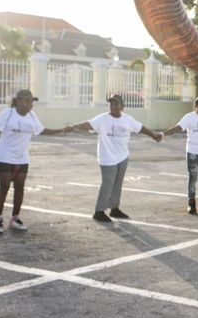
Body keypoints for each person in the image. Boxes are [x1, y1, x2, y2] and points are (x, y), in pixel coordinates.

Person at [0, 89, 70, 233]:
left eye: (32, 102)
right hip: (4, 156)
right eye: (28, 101)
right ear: (18, 101)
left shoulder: (32, 116)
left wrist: (61, 130)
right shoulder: (8, 113)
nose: (31, 105)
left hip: (22, 157)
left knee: (19, 188)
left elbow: (41, 130)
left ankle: (14, 219)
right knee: (4, 187)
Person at [69, 94, 163, 222]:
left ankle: (114, 208)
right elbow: (89, 124)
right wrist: (75, 126)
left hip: (122, 156)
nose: (113, 106)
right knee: (107, 184)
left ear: (122, 106)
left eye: (116, 104)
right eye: (111, 104)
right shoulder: (102, 119)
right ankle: (99, 211)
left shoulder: (127, 119)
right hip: (107, 158)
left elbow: (140, 128)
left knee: (118, 184)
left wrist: (153, 135)